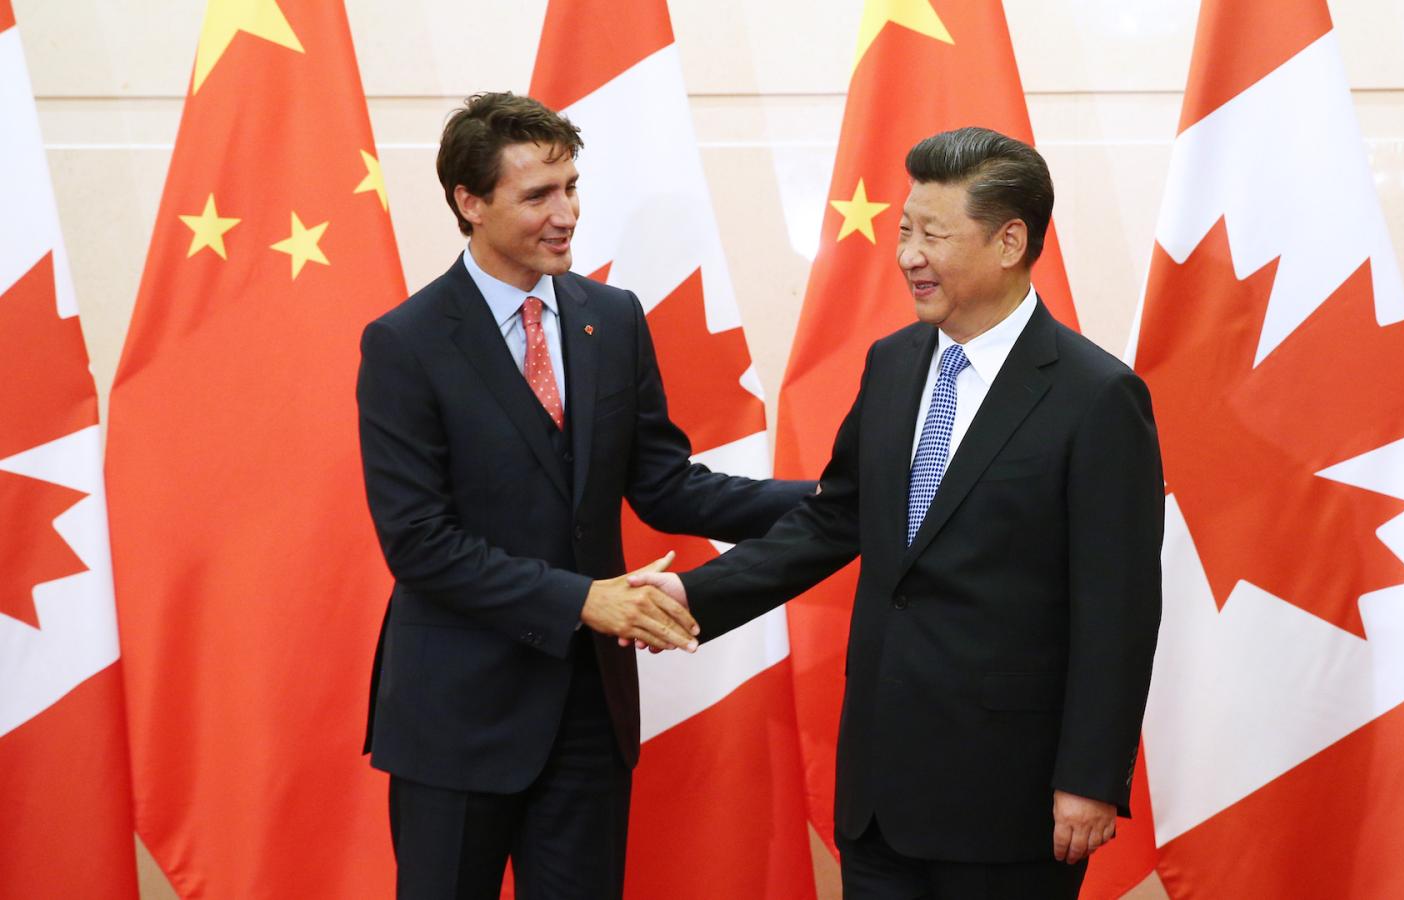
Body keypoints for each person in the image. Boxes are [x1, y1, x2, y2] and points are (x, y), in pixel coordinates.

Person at [634, 126, 1164, 897]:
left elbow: (1119, 606)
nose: (908, 255)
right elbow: (835, 517)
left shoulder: (1096, 397)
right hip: (880, 793)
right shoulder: (893, 362)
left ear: (1010, 241)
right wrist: (695, 594)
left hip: (1007, 797)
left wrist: (1089, 776)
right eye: (903, 231)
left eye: (932, 235)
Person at [355, 91, 812, 900]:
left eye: (571, 187)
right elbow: (419, 541)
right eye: (538, 195)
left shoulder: (614, 317)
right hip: (456, 718)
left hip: (586, 717)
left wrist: (837, 498)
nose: (566, 213)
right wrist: (583, 602)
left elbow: (668, 486)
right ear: (470, 202)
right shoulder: (405, 343)